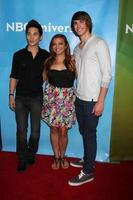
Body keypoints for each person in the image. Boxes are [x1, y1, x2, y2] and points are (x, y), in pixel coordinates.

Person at [68, 11, 112, 186]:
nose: (78, 26)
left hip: (93, 100)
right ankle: (88, 158)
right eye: (75, 23)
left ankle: (88, 172)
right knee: (84, 132)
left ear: (88, 23)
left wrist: (101, 101)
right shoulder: (77, 48)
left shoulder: (99, 43)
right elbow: (79, 74)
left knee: (90, 134)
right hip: (79, 98)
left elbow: (107, 75)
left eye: (81, 22)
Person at [9, 19, 50, 172]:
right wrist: (10, 95)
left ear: (40, 37)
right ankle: (22, 158)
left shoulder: (46, 55)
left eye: (35, 34)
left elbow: (46, 78)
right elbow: (14, 76)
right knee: (21, 130)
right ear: (26, 36)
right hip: (20, 98)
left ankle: (31, 153)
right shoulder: (18, 55)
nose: (31, 37)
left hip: (37, 98)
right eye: (29, 34)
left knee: (35, 131)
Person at [41, 34, 76, 170]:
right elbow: (45, 79)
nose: (57, 46)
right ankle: (56, 157)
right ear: (51, 46)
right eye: (54, 44)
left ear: (66, 45)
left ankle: (63, 156)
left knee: (64, 131)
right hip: (52, 98)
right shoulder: (48, 62)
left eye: (60, 43)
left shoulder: (72, 61)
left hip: (67, 99)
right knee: (54, 129)